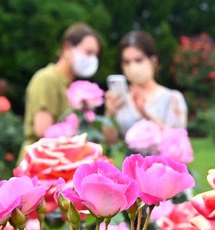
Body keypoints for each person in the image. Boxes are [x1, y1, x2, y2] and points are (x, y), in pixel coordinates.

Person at [21, 23, 101, 154]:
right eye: (88, 52)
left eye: (95, 55)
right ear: (67, 48)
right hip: (41, 162)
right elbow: (42, 130)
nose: (92, 59)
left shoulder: (71, 85)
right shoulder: (47, 79)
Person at [105, 30, 187, 136]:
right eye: (126, 62)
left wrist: (145, 114)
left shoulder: (172, 98)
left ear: (153, 61)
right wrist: (110, 113)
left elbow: (177, 141)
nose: (132, 67)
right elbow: (110, 142)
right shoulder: (120, 101)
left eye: (138, 60)